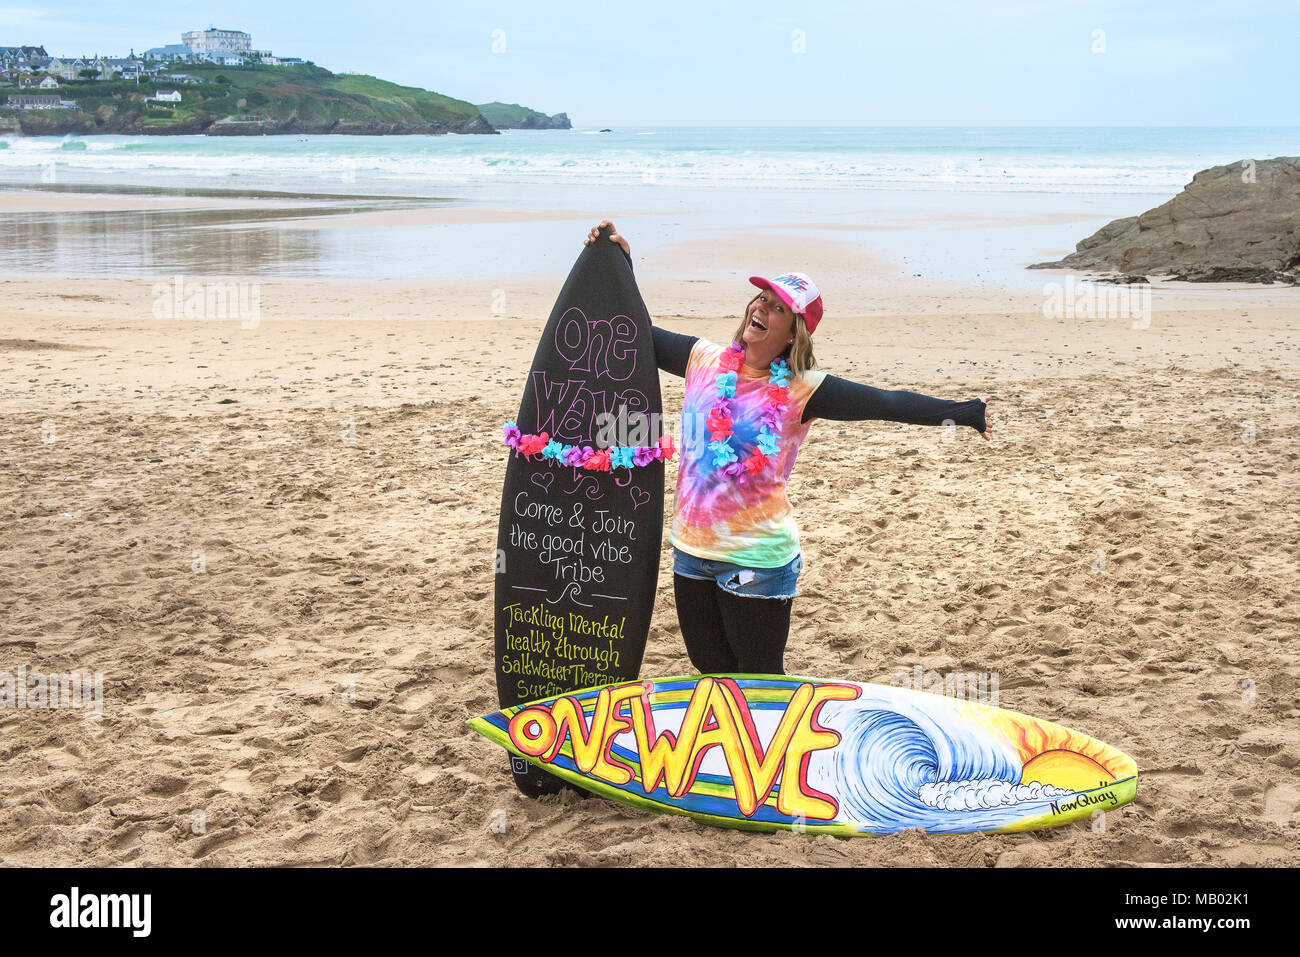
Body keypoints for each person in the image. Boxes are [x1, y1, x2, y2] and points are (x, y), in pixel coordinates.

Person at [584, 220, 992, 676]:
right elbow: (631, 328)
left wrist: (965, 411)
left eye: (777, 308)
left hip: (757, 560)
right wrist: (617, 261)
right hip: (691, 551)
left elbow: (885, 402)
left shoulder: (803, 389)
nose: (761, 307)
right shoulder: (703, 360)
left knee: (759, 681)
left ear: (794, 332)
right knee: (711, 670)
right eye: (762, 298)